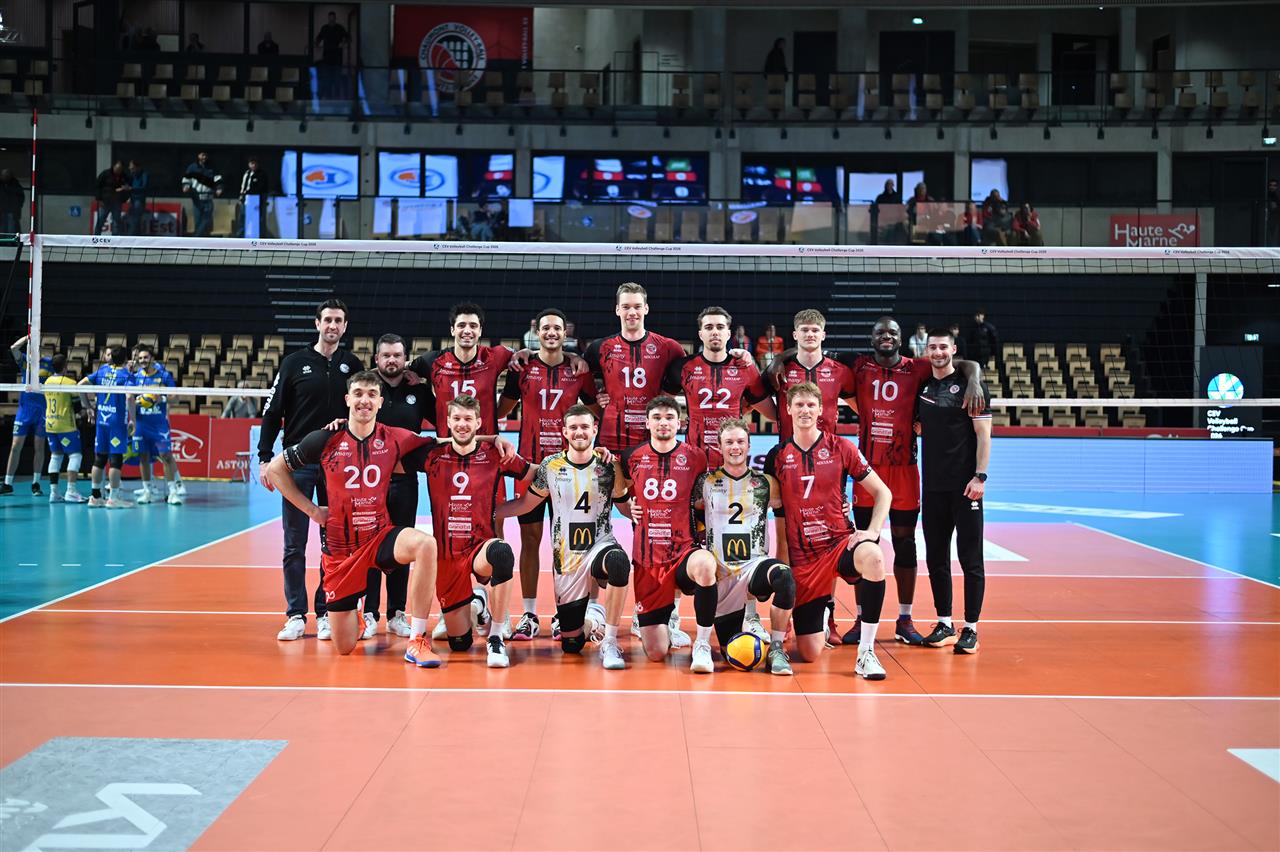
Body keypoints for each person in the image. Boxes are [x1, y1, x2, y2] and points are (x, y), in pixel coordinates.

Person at [265, 370, 443, 662]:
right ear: (347, 399)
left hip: (379, 536)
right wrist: (312, 510)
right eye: (358, 394)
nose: (365, 401)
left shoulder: (394, 437)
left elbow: (447, 445)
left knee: (426, 544)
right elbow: (275, 470)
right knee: (345, 647)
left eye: (372, 395)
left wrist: (493, 440)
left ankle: (417, 640)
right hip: (341, 551)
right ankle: (356, 614)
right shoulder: (325, 438)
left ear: (381, 402)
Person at [843, 317, 984, 647]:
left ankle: (904, 619)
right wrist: (776, 360)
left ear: (901, 338)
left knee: (905, 543)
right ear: (872, 338)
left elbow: (965, 363)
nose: (887, 337)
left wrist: (975, 379)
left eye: (892, 332)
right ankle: (862, 617)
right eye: (880, 332)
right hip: (868, 471)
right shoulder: (859, 367)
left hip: (904, 469)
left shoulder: (917, 367)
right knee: (864, 545)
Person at [765, 383, 892, 679]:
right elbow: (778, 515)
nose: (805, 410)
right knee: (809, 653)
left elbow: (883, 493)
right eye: (799, 405)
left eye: (811, 405)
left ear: (821, 410)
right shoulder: (777, 456)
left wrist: (872, 531)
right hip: (804, 559)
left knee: (873, 557)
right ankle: (821, 615)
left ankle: (866, 653)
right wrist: (782, 568)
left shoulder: (842, 447)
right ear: (788, 409)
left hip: (838, 544)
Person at [258, 299, 365, 642]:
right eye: (328, 320)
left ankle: (323, 612)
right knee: (294, 543)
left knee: (333, 543)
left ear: (345, 326)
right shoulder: (294, 363)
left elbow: (365, 406)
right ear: (317, 323)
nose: (333, 326)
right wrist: (265, 458)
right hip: (298, 463)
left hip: (339, 465)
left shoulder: (352, 364)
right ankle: (294, 615)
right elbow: (272, 412)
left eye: (338, 321)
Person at [496, 405, 629, 669]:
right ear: (565, 432)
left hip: (600, 545)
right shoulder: (551, 466)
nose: (580, 432)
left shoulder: (609, 466)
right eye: (574, 427)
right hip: (567, 560)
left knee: (618, 562)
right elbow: (525, 505)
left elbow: (624, 506)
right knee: (571, 644)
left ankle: (611, 642)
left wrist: (641, 511)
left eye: (585, 427)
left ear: (594, 430)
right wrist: (489, 512)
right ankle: (593, 621)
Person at [497, 308, 598, 642]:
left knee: (565, 543)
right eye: (546, 328)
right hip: (529, 466)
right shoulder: (522, 368)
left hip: (568, 469)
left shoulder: (578, 369)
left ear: (565, 332)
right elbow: (500, 410)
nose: (551, 333)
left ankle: (563, 612)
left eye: (557, 328)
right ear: (536, 332)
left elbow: (595, 412)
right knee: (529, 539)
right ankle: (528, 613)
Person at [763, 308, 858, 642]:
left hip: (829, 466)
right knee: (785, 542)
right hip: (787, 462)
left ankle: (827, 616)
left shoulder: (839, 372)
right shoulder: (780, 370)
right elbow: (754, 400)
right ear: (795, 334)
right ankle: (785, 612)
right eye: (804, 330)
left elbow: (864, 407)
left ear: (823, 334)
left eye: (815, 330)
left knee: (827, 542)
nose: (810, 334)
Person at [419, 394, 527, 667]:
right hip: (447, 557)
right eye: (457, 418)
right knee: (459, 644)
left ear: (479, 423)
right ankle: (477, 605)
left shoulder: (494, 454)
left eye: (468, 419)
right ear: (447, 422)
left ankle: (496, 635)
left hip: (480, 547)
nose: (462, 424)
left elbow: (534, 473)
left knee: (502, 552)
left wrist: (510, 508)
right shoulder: (432, 455)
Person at [619, 396, 719, 673]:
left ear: (680, 423)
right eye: (657, 417)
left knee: (706, 565)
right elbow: (619, 487)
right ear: (647, 422)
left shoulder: (696, 457)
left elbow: (703, 496)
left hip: (683, 550)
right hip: (648, 558)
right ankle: (664, 626)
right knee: (656, 653)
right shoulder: (631, 457)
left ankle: (702, 644)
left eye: (669, 418)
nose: (663, 423)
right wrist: (627, 506)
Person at [699, 418, 797, 675]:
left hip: (754, 566)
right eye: (729, 442)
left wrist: (841, 505)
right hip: (722, 574)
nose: (735, 447)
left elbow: (794, 508)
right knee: (730, 651)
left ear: (749, 446)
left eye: (740, 442)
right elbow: (685, 510)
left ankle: (777, 648)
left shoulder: (766, 483)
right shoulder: (706, 482)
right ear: (719, 446)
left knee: (784, 577)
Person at [917, 329, 992, 655]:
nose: (938, 352)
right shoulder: (923, 387)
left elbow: (984, 435)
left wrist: (980, 477)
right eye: (933, 347)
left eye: (943, 347)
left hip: (965, 488)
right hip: (933, 487)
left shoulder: (970, 386)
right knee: (936, 558)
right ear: (927, 350)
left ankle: (971, 628)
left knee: (970, 558)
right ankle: (944, 623)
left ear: (953, 349)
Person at [359, 333, 436, 640]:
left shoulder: (418, 391)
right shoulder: (367, 390)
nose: (392, 360)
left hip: (405, 481)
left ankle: (396, 613)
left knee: (402, 547)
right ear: (376, 359)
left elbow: (443, 420)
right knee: (369, 546)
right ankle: (368, 614)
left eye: (397, 355)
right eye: (386, 355)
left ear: (406, 359)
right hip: (369, 482)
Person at [409, 302, 574, 441]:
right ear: (452, 330)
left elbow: (541, 355)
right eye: (461, 325)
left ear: (480, 330)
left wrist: (572, 356)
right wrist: (405, 372)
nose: (467, 330)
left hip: (487, 451)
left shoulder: (495, 356)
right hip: (447, 448)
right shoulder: (433, 361)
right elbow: (400, 366)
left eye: (473, 326)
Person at [584, 282, 689, 453]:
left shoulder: (669, 347)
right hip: (610, 438)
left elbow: (692, 372)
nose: (632, 312)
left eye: (637, 307)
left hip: (651, 438)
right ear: (617, 309)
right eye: (626, 307)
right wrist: (601, 404)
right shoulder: (600, 348)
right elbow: (580, 381)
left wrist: (666, 397)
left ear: (646, 309)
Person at [664, 307, 774, 454]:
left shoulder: (744, 367)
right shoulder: (683, 367)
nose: (715, 332)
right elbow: (660, 405)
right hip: (695, 456)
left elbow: (772, 414)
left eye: (720, 327)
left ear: (728, 334)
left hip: (732, 457)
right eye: (709, 327)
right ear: (701, 334)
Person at [128, 345, 183, 505]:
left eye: (145, 357)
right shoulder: (135, 377)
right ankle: (147, 492)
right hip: (141, 424)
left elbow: (176, 398)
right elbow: (129, 397)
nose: (142, 360)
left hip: (159, 425)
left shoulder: (164, 376)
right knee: (143, 457)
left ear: (152, 358)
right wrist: (133, 417)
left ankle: (173, 492)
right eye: (140, 358)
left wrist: (162, 398)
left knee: (166, 456)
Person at [80, 346, 133, 508]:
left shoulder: (102, 370)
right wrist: (133, 420)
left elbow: (80, 385)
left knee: (100, 458)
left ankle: (95, 497)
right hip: (117, 422)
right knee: (116, 459)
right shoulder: (126, 375)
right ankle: (113, 498)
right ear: (125, 359)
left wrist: (88, 407)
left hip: (102, 420)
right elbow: (130, 397)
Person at [2, 336, 49, 496]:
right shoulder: (24, 361)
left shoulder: (48, 363)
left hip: (42, 410)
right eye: (30, 347)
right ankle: (8, 483)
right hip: (25, 410)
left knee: (39, 447)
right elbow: (13, 348)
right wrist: (28, 337)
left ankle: (36, 484)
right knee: (15, 446)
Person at [42, 353, 85, 503]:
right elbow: (77, 407)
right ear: (65, 366)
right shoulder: (70, 383)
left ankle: (54, 493)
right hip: (66, 426)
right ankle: (71, 491)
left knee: (56, 456)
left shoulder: (47, 381)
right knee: (75, 456)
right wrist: (86, 411)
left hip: (50, 424)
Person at [182, 152, 223, 238]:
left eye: (206, 155)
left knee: (206, 220)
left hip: (208, 197)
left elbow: (218, 179)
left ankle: (198, 238)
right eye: (202, 155)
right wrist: (186, 186)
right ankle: (198, 239)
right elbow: (186, 179)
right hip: (197, 198)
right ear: (198, 156)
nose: (204, 157)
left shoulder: (212, 167)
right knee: (198, 220)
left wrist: (219, 188)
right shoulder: (192, 167)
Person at [314, 11, 349, 98]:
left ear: (335, 19)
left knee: (336, 82)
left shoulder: (340, 28)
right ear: (328, 19)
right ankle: (329, 100)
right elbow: (318, 38)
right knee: (328, 82)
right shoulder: (325, 28)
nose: (331, 20)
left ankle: (335, 101)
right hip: (327, 60)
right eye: (330, 18)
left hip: (337, 60)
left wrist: (343, 43)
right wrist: (318, 44)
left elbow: (348, 38)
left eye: (333, 18)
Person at [94, 161, 128, 236]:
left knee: (116, 221)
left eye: (120, 169)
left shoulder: (123, 176)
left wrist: (124, 191)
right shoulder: (105, 174)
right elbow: (98, 186)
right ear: (114, 167)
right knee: (101, 220)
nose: (118, 171)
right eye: (117, 169)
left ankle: (114, 239)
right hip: (105, 201)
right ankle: (96, 237)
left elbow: (127, 186)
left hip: (117, 202)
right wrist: (99, 199)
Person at [237, 157, 267, 239]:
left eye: (255, 163)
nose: (253, 165)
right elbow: (243, 186)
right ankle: (240, 238)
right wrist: (241, 196)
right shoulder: (247, 173)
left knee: (255, 220)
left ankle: (255, 238)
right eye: (251, 163)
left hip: (255, 201)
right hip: (245, 200)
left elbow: (260, 188)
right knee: (242, 219)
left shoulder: (261, 174)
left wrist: (248, 192)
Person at [123, 160, 149, 236]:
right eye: (130, 168)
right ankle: (137, 237)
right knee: (134, 220)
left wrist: (131, 188)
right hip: (132, 199)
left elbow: (144, 187)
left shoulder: (144, 175)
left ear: (137, 167)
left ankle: (130, 237)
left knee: (135, 220)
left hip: (139, 200)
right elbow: (128, 184)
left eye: (132, 168)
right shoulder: (132, 175)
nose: (131, 170)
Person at [872, 179, 902, 244]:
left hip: (894, 221)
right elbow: (876, 208)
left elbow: (900, 208)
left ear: (893, 185)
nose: (889, 186)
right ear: (885, 186)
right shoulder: (880, 197)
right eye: (887, 184)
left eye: (890, 184)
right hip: (883, 221)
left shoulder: (897, 197)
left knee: (892, 238)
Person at [0, 169, 24, 234]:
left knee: (11, 229)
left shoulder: (15, 184)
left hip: (12, 211)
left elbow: (21, 197)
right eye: (4, 175)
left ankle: (11, 240)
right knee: (2, 229)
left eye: (7, 175)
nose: (5, 177)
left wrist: (17, 207)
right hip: (2, 211)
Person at [1267, 179, 1280, 246]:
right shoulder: (1266, 195)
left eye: (1274, 185)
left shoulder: (1277, 196)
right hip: (1268, 220)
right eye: (1271, 185)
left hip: (1275, 220)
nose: (1272, 187)